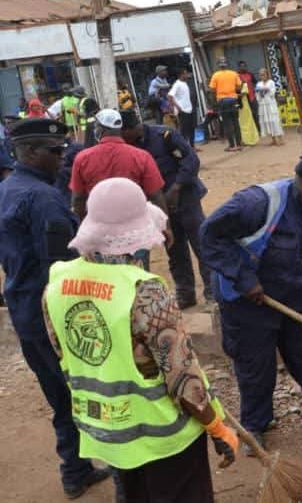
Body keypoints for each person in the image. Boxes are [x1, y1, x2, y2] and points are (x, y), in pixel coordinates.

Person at [43, 177, 238, 501]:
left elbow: (62, 351)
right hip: (162, 434)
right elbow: (181, 376)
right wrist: (216, 427)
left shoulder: (58, 281)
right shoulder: (144, 290)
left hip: (106, 427)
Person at [200, 151, 302, 448]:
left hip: (297, 294)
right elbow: (210, 236)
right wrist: (244, 278)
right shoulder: (257, 204)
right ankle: (255, 425)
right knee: (256, 365)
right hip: (248, 300)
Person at [0, 119, 111, 498]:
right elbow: (63, 267)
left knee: (60, 397)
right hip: (54, 317)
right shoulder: (43, 199)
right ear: (30, 152)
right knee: (85, 394)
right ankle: (112, 473)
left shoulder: (7, 189)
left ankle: (76, 471)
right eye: (55, 151)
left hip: (24, 310)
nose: (64, 157)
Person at [121, 110, 212, 308]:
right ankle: (185, 294)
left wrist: (176, 188)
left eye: (122, 133)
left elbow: (191, 160)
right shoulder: (129, 147)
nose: (120, 138)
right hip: (161, 207)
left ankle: (212, 293)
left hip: (186, 198)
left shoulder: (165, 135)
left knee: (201, 244)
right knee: (175, 249)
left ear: (130, 129)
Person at [69, 109, 167, 228]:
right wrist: (166, 228)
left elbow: (78, 199)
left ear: (101, 129)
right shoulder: (142, 156)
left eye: (95, 127)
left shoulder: (82, 159)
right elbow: (155, 195)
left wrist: (81, 227)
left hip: (100, 227)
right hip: (136, 227)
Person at [209, 58, 243, 152]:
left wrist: (215, 102)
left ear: (218, 65)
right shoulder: (234, 74)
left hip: (223, 101)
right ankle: (239, 144)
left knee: (227, 124)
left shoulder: (215, 75)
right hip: (233, 100)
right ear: (226, 64)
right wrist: (232, 89)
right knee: (236, 123)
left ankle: (232, 146)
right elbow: (239, 87)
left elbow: (212, 90)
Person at [256, 68, 285, 145]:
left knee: (275, 121)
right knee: (267, 122)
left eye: (263, 74)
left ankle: (280, 139)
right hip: (263, 105)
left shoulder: (271, 82)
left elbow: (272, 93)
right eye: (260, 75)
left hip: (271, 104)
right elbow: (258, 96)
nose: (262, 76)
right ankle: (273, 139)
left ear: (267, 74)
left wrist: (266, 89)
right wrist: (261, 92)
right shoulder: (258, 84)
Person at [168, 68, 197, 147]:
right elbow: (170, 96)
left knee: (192, 128)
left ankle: (192, 146)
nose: (187, 75)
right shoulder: (177, 84)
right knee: (184, 131)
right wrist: (177, 107)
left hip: (189, 109)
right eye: (185, 73)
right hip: (183, 110)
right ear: (181, 75)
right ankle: (184, 148)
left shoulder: (184, 83)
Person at [237, 61, 260, 133]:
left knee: (255, 114)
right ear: (239, 67)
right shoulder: (237, 75)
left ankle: (258, 130)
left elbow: (256, 83)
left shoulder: (250, 74)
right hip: (243, 98)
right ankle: (249, 131)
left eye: (244, 66)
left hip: (252, 97)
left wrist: (255, 89)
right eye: (241, 66)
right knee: (246, 115)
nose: (243, 67)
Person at [238, 81, 260, 146]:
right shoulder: (235, 85)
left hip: (245, 106)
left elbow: (243, 94)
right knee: (241, 124)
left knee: (249, 123)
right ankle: (244, 140)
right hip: (239, 108)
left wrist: (233, 95)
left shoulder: (244, 84)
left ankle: (252, 140)